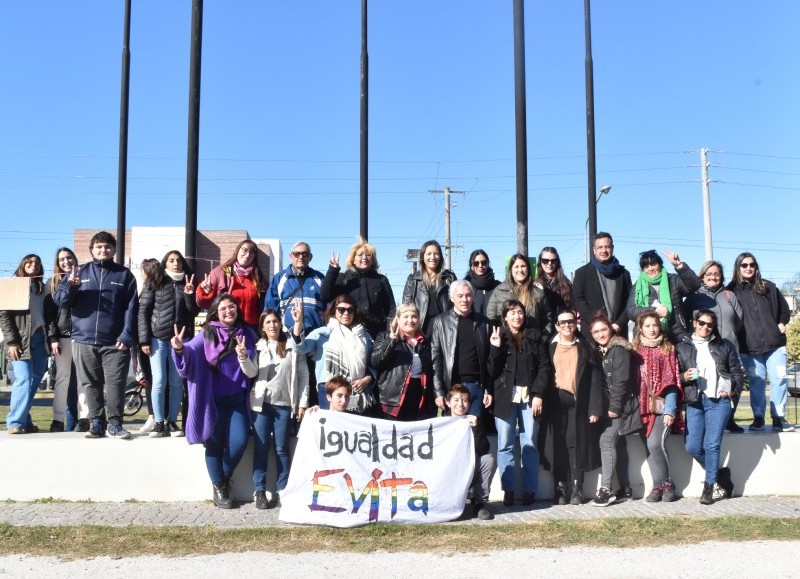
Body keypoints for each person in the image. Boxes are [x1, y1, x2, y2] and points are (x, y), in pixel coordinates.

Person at [171, 293, 258, 509]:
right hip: (213, 400)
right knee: (214, 444)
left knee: (238, 443)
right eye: (223, 308)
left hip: (238, 398)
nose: (229, 311)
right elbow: (191, 349)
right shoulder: (207, 333)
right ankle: (220, 489)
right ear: (216, 313)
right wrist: (179, 348)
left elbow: (256, 363)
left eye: (232, 307)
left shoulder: (246, 333)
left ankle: (222, 479)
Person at [54, 231, 139, 439]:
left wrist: (127, 335)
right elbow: (62, 302)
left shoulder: (124, 275)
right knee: (89, 383)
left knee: (115, 383)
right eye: (99, 247)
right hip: (83, 340)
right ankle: (97, 423)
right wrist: (72, 287)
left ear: (114, 250)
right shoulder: (77, 272)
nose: (103, 250)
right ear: (91, 250)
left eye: (108, 247)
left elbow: (131, 308)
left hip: (115, 342)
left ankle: (116, 424)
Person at [487, 299, 550, 506]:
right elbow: (491, 371)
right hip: (505, 397)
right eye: (512, 312)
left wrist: (539, 393)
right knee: (504, 444)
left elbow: (544, 367)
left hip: (530, 397)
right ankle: (509, 490)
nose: (517, 316)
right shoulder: (499, 337)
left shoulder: (535, 336)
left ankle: (530, 489)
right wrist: (495, 349)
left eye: (520, 312)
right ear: (505, 317)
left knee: (529, 443)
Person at [676, 310, 741, 504]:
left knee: (711, 444)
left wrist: (730, 388)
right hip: (695, 401)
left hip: (718, 401)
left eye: (710, 325)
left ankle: (709, 486)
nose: (705, 327)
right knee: (692, 447)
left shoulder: (724, 345)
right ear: (694, 323)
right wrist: (683, 377)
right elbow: (673, 376)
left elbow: (737, 373)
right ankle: (721, 475)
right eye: (702, 323)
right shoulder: (682, 346)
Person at [248, 308, 309, 510]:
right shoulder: (256, 347)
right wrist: (242, 357)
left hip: (284, 405)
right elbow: (251, 372)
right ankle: (260, 490)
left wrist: (302, 402)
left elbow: (303, 375)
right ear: (262, 327)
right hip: (262, 405)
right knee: (262, 448)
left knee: (282, 448)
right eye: (268, 323)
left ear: (280, 324)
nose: (272, 325)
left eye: (275, 321)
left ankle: (283, 489)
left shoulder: (291, 345)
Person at [727, 252, 793, 433]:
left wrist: (782, 322)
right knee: (757, 381)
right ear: (738, 267)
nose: (749, 268)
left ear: (756, 267)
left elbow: (785, 310)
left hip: (775, 344)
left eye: (752, 264)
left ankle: (778, 418)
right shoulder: (731, 290)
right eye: (744, 265)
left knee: (779, 379)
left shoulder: (769, 287)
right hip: (749, 347)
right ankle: (758, 418)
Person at [138, 252, 199, 437]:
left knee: (176, 381)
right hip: (157, 339)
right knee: (158, 380)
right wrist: (144, 339)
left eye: (179, 260)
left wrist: (189, 295)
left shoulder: (187, 284)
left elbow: (193, 312)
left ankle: (172, 422)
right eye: (171, 260)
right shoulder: (155, 282)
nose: (176, 264)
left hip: (180, 340)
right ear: (165, 263)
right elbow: (143, 312)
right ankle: (158, 422)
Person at [548, 309, 603, 505]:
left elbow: (596, 379)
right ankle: (560, 488)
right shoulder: (550, 346)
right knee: (558, 446)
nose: (566, 325)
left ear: (575, 323)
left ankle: (577, 488)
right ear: (557, 326)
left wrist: (595, 408)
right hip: (556, 404)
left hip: (578, 404)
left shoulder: (586, 347)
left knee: (575, 445)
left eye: (570, 321)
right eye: (562, 322)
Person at [682, 260, 744, 433]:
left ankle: (729, 419)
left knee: (733, 381)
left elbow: (739, 320)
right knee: (703, 384)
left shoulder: (729, 295)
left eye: (716, 274)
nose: (713, 276)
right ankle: (699, 422)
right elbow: (686, 319)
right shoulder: (694, 297)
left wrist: (728, 335)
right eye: (709, 274)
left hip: (728, 346)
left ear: (721, 276)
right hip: (702, 347)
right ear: (702, 276)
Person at [292, 295, 375, 414]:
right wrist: (298, 323)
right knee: (331, 429)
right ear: (334, 311)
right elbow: (299, 347)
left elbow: (374, 363)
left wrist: (367, 379)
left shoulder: (364, 337)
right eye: (341, 309)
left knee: (351, 431)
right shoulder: (323, 333)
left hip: (356, 390)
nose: (346, 313)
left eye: (350, 310)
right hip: (328, 389)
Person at [633, 310, 684, 503]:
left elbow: (671, 381)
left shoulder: (667, 349)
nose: (652, 329)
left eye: (655, 325)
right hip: (642, 407)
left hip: (663, 408)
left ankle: (667, 484)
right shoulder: (636, 350)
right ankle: (656, 487)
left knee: (656, 443)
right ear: (640, 329)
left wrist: (670, 410)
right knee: (649, 447)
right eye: (647, 326)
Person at [1, 254, 53, 434]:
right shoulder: (14, 284)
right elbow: (3, 316)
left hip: (40, 338)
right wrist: (12, 342)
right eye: (30, 262)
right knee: (23, 379)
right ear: (23, 264)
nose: (34, 265)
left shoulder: (40, 287)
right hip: (20, 340)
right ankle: (15, 422)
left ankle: (26, 420)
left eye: (37, 263)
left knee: (35, 380)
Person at [588, 314, 636, 507]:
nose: (600, 334)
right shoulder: (603, 351)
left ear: (611, 329)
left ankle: (606, 489)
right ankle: (625, 488)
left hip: (622, 407)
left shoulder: (619, 350)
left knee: (606, 441)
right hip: (614, 406)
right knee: (619, 445)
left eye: (603, 329)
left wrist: (615, 408)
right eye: (596, 331)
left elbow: (621, 381)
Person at [431, 280, 492, 418]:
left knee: (474, 433)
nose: (464, 299)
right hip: (452, 387)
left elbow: (489, 359)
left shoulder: (484, 322)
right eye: (460, 296)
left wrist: (488, 389)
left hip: (476, 388)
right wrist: (438, 392)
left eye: (468, 295)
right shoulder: (440, 322)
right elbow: (436, 359)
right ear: (452, 298)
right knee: (453, 435)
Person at [321, 239, 396, 338]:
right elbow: (325, 295)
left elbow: (391, 308)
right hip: (349, 331)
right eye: (360, 255)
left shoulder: (381, 279)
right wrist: (332, 270)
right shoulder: (344, 278)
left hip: (377, 332)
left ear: (373, 259)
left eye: (368, 255)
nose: (364, 258)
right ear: (353, 259)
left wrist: (389, 330)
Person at [371, 303, 434, 421]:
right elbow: (376, 361)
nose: (410, 320)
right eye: (406, 316)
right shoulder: (385, 336)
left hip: (418, 395)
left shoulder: (425, 343)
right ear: (398, 319)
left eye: (414, 316)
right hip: (394, 397)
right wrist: (391, 342)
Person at [627, 248, 701, 343]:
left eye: (653, 264)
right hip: (647, 339)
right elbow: (631, 311)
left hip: (675, 334)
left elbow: (694, 285)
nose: (650, 269)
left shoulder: (673, 280)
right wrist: (654, 311)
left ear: (660, 264)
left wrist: (679, 265)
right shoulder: (638, 286)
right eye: (646, 266)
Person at [572, 232, 632, 345]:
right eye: (600, 247)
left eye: (607, 247)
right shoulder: (582, 273)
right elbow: (578, 300)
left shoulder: (624, 274)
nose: (604, 250)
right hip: (592, 333)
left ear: (612, 248)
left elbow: (630, 302)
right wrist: (598, 323)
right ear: (594, 250)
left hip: (618, 332)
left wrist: (619, 323)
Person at [448, 384, 496, 521]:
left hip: (470, 470)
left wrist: (476, 428)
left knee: (488, 459)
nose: (460, 404)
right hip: (449, 473)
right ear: (448, 402)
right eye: (456, 400)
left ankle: (479, 503)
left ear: (469, 404)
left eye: (464, 400)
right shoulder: (441, 423)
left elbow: (483, 449)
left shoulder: (474, 421)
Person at [44, 247, 80, 432]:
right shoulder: (53, 283)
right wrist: (53, 338)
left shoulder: (85, 278)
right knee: (62, 379)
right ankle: (58, 419)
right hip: (62, 337)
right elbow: (49, 315)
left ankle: (85, 418)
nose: (66, 262)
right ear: (58, 263)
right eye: (62, 259)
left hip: (83, 337)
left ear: (75, 259)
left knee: (83, 380)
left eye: (69, 258)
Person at [196, 239, 266, 329]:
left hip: (252, 330)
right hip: (227, 328)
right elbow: (203, 304)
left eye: (252, 253)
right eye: (244, 250)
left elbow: (267, 304)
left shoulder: (258, 277)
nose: (248, 255)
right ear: (237, 250)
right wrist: (206, 293)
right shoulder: (220, 272)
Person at [265, 241, 326, 335]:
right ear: (291, 257)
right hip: (288, 336)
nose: (301, 257)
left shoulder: (320, 278)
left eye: (305, 254)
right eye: (297, 254)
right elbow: (270, 309)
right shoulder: (279, 278)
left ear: (310, 257)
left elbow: (329, 308)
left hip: (316, 336)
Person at [487, 254, 552, 336]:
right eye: (516, 267)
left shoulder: (538, 293)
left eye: (523, 266)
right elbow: (491, 316)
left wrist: (544, 336)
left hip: (532, 342)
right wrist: (497, 335)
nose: (520, 270)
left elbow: (547, 318)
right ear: (511, 270)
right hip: (506, 341)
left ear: (528, 269)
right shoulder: (499, 290)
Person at [401, 240, 457, 336]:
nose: (432, 257)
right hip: (422, 328)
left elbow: (457, 303)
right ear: (423, 257)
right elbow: (406, 306)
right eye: (429, 254)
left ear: (440, 257)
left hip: (445, 328)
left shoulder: (449, 277)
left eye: (436, 254)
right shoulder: (413, 279)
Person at [534, 247, 573, 326]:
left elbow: (571, 306)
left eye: (553, 261)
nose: (549, 264)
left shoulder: (566, 283)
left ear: (557, 262)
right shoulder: (535, 284)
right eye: (545, 260)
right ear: (540, 262)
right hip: (543, 326)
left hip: (563, 325)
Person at [463, 249, 500, 318]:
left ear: (488, 264)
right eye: (476, 263)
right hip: (473, 327)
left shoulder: (498, 286)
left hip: (494, 327)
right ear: (471, 266)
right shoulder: (465, 287)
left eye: (484, 262)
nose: (480, 266)